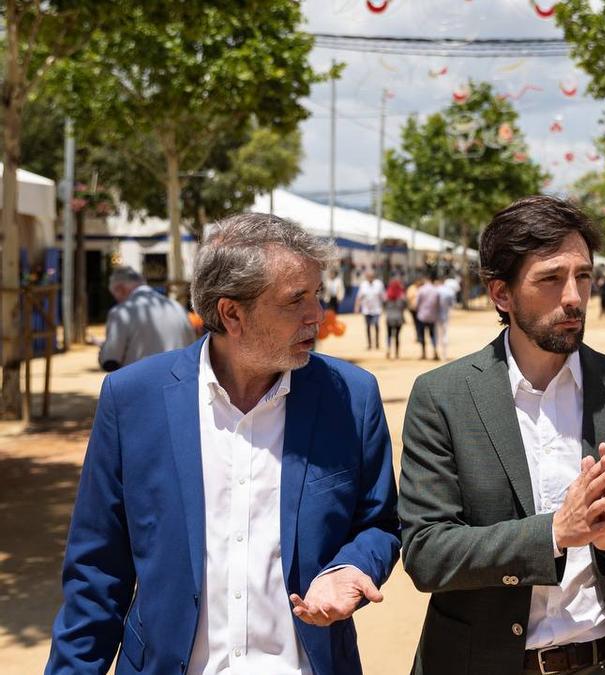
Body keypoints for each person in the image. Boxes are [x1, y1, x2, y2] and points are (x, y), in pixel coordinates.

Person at [46, 213, 402, 675]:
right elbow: (97, 574)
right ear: (232, 313)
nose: (317, 314)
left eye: (317, 294)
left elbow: (379, 521)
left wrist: (353, 568)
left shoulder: (350, 396)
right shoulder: (133, 399)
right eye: (296, 299)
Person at [398, 195, 605, 675]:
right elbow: (427, 552)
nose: (574, 298)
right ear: (501, 294)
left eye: (583, 276)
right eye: (550, 279)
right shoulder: (443, 398)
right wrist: (555, 534)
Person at [96, 266, 196, 372]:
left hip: (141, 385)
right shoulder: (177, 307)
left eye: (115, 295)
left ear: (121, 289)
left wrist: (103, 349)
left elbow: (110, 361)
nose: (117, 300)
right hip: (179, 382)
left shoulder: (121, 312)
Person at [354, 269, 385, 351]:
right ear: (366, 277)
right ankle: (369, 344)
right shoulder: (363, 285)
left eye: (371, 276)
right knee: (367, 327)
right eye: (368, 276)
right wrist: (357, 307)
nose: (370, 277)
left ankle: (377, 343)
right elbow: (359, 297)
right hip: (366, 310)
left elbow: (383, 296)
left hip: (377, 309)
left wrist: (385, 306)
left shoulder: (379, 284)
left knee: (376, 325)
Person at [414, 275, 442, 361]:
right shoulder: (435, 290)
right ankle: (435, 351)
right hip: (432, 316)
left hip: (422, 315)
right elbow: (438, 303)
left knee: (422, 335)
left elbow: (417, 303)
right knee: (432, 335)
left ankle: (423, 353)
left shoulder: (421, 290)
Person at [384, 278, 407, 360]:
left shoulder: (387, 296)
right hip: (398, 318)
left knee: (389, 335)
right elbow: (404, 306)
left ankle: (388, 350)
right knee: (397, 336)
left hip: (389, 318)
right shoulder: (401, 297)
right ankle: (397, 353)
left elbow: (384, 305)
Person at [435, 275, 456, 359]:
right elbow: (452, 304)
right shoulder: (449, 292)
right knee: (445, 335)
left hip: (435, 317)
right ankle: (444, 354)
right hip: (445, 316)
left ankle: (437, 353)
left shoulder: (436, 290)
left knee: (437, 336)